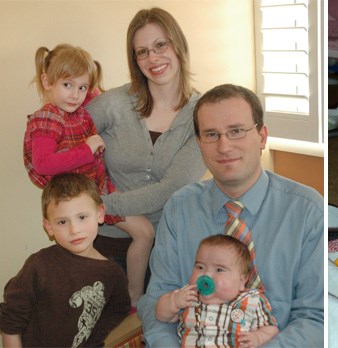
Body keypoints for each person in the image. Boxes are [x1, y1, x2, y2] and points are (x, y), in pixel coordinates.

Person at [137, 84, 324, 346]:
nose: (224, 147)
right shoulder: (180, 207)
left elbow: (316, 317)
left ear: (262, 136)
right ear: (200, 143)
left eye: (236, 131)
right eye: (211, 135)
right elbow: (156, 300)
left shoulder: (307, 211)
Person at [86, 7, 207, 305]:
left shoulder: (203, 114)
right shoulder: (113, 103)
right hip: (107, 244)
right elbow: (63, 139)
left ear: (178, 45)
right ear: (135, 60)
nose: (153, 59)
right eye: (142, 52)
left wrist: (98, 206)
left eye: (160, 45)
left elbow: (170, 189)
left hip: (170, 250)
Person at [23, 43, 154, 307]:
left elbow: (96, 93)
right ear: (47, 82)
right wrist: (87, 149)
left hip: (98, 190)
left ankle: (134, 296)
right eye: (67, 85)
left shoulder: (79, 111)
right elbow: (43, 163)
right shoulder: (46, 119)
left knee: (145, 232)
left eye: (81, 87)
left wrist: (91, 85)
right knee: (87, 248)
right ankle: (122, 296)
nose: (75, 95)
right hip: (75, 199)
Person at [0, 173, 130, 347]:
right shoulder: (39, 265)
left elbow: (117, 311)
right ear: (49, 227)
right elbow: (10, 322)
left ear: (100, 214)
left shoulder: (113, 274)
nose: (74, 229)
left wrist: (93, 340)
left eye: (82, 217)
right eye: (62, 222)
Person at [156, 234, 278, 347]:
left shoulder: (252, 300)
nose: (207, 275)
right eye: (200, 267)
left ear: (242, 281)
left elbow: (271, 330)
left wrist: (257, 337)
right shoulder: (188, 295)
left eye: (219, 270)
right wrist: (174, 302)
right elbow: (161, 315)